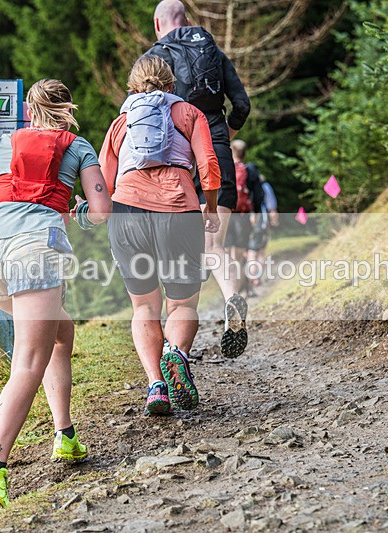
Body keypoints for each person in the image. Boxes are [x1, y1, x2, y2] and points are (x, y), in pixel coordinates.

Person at [0, 79, 111, 509]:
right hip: (36, 250)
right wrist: (77, 217)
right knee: (29, 360)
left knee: (60, 334)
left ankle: (65, 435)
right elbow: (101, 209)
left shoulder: (4, 142)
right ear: (67, 108)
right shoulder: (77, 146)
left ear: (31, 109)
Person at [99, 55, 221, 415]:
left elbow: (105, 185)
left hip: (127, 213)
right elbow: (209, 166)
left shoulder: (120, 123)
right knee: (182, 304)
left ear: (133, 87)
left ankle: (156, 386)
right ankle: (176, 353)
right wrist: (210, 207)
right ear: (171, 85)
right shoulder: (187, 113)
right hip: (177, 210)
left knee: (144, 308)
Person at [145, 0, 252, 358]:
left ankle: (177, 347)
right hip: (218, 156)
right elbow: (242, 105)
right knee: (212, 248)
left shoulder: (155, 57)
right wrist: (222, 132)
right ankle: (233, 297)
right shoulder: (213, 51)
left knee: (179, 258)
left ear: (158, 23)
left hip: (178, 166)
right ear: (187, 20)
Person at [226, 139, 263, 298]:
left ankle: (232, 290)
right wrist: (255, 212)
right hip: (243, 216)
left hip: (225, 216)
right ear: (244, 153)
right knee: (242, 254)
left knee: (229, 255)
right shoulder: (250, 170)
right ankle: (244, 289)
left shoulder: (224, 169)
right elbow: (258, 195)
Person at [246, 170, 279, 294]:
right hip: (260, 221)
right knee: (258, 252)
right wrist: (274, 221)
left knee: (248, 251)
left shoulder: (244, 183)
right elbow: (272, 207)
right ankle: (255, 277)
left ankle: (249, 277)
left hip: (244, 219)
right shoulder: (264, 186)